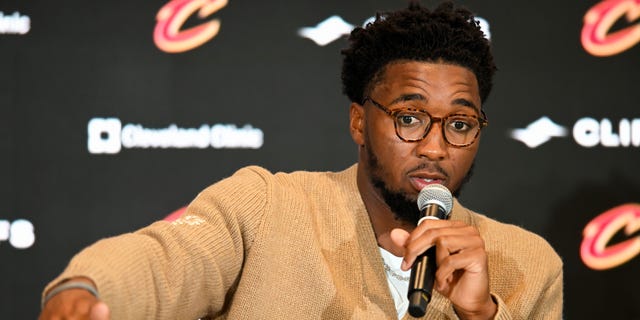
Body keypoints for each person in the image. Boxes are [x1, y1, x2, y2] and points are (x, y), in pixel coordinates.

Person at [39, 1, 563, 319]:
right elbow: (165, 261)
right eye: (409, 117)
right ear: (360, 121)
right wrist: (88, 291)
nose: (435, 146)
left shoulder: (530, 263)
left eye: (460, 123)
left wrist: (482, 316)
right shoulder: (265, 207)